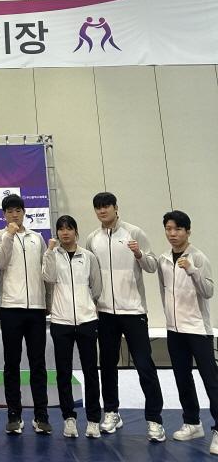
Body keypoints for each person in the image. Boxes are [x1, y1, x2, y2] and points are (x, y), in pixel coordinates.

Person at [86, 192, 164, 441]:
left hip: (133, 311)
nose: (102, 211)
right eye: (98, 208)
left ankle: (154, 420)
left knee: (144, 365)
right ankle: (111, 412)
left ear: (116, 208)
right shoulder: (92, 238)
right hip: (105, 312)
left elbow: (152, 266)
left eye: (106, 206)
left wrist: (139, 253)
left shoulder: (134, 232)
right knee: (108, 366)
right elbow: (89, 274)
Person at [0, 193, 51, 435]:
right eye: (9, 211)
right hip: (10, 308)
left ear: (24, 212)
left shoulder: (37, 238)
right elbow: (0, 263)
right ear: (4, 215)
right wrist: (9, 235)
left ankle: (41, 415)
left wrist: (47, 302)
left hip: (36, 308)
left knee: (38, 363)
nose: (14, 215)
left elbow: (46, 272)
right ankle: (14, 414)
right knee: (12, 364)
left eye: (18, 210)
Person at [158, 210, 218, 455]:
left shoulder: (198, 257)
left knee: (211, 380)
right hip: (174, 329)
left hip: (197, 329)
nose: (172, 234)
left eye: (178, 229)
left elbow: (208, 292)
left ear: (188, 231)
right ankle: (193, 423)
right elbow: (164, 292)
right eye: (168, 229)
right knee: (182, 377)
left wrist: (193, 270)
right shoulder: (163, 259)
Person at [43, 215, 102, 439]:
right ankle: (69, 418)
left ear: (76, 232)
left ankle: (93, 420)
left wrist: (88, 306)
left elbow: (96, 287)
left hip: (87, 321)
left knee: (90, 372)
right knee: (63, 372)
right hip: (61, 321)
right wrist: (49, 252)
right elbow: (48, 277)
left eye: (69, 228)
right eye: (61, 229)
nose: (65, 232)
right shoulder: (52, 255)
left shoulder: (88, 257)